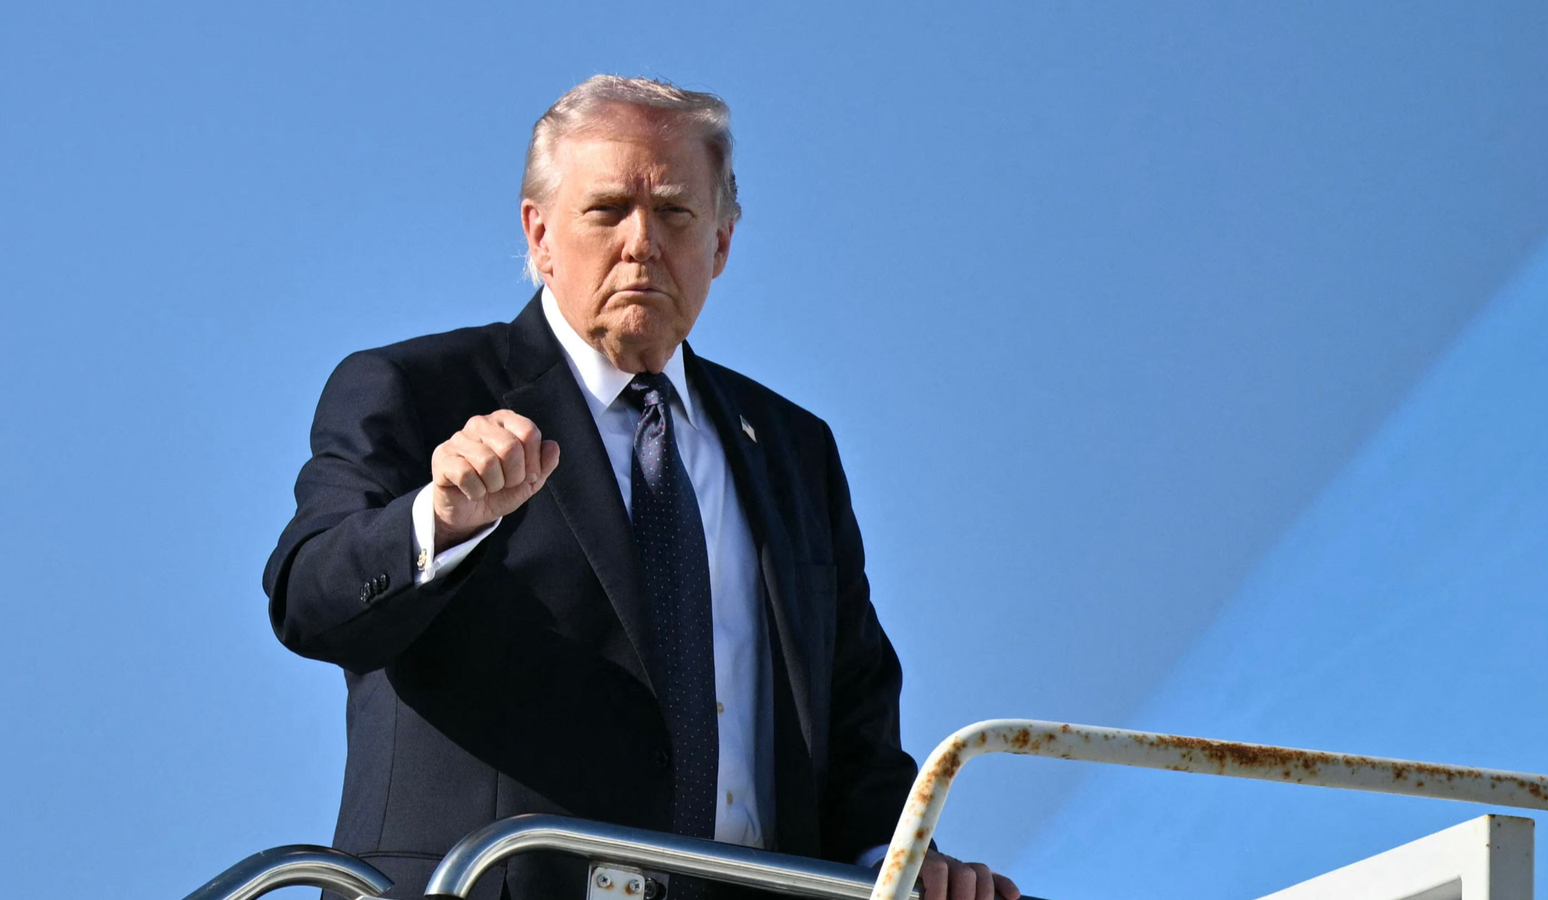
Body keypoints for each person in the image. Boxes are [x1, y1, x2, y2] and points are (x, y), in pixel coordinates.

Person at [264, 75, 1019, 900]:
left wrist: (895, 860)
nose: (642, 243)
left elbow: (850, 716)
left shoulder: (795, 449)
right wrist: (440, 521)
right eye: (608, 210)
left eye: (675, 213)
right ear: (540, 235)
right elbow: (309, 598)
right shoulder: (419, 390)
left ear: (721, 243)